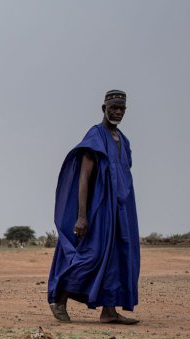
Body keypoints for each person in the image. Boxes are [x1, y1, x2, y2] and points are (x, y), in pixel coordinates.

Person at [47, 90, 140, 324]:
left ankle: (109, 310)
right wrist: (82, 216)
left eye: (122, 108)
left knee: (118, 257)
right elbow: (84, 178)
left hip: (121, 209)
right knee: (92, 255)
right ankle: (59, 298)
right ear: (103, 109)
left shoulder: (123, 140)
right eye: (114, 107)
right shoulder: (95, 136)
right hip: (100, 210)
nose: (118, 111)